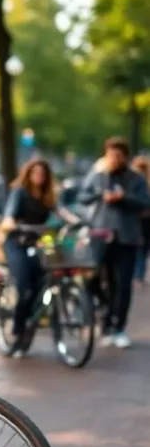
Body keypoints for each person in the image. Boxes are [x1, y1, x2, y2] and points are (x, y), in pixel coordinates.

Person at [0, 158, 81, 355]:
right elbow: (8, 216)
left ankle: (31, 324)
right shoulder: (19, 192)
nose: (39, 177)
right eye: (35, 173)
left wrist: (78, 222)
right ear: (28, 174)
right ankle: (17, 330)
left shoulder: (48, 195)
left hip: (38, 244)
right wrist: (11, 223)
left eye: (43, 174)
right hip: (17, 243)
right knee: (25, 288)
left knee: (40, 286)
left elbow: (61, 211)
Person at [78, 137, 150, 349]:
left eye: (118, 155)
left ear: (125, 157)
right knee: (92, 279)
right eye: (110, 155)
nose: (114, 159)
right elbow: (82, 196)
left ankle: (117, 327)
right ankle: (104, 314)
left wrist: (123, 197)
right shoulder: (98, 176)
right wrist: (100, 194)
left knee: (123, 284)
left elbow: (145, 202)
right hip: (100, 234)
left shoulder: (135, 179)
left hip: (126, 238)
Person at [131, 156, 150, 285]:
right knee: (141, 249)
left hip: (143, 220)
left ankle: (138, 274)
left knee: (141, 248)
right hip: (139, 220)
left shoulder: (136, 182)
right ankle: (138, 275)